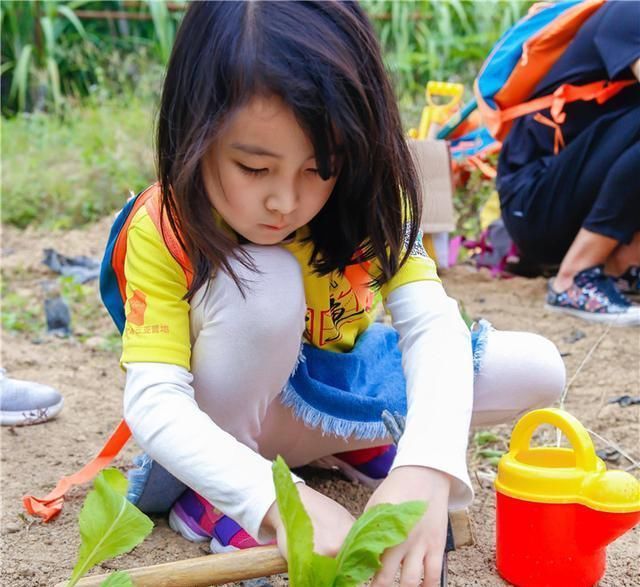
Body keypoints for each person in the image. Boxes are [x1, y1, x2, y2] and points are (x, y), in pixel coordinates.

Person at [119, 2, 565, 585]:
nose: (285, 201)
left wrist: (428, 465)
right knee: (265, 282)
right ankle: (219, 495)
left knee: (538, 368)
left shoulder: (373, 195)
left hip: (331, 396)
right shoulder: (166, 226)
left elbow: (431, 326)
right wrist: (271, 497)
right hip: (233, 424)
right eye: (254, 168)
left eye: (319, 167)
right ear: (192, 133)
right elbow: (154, 401)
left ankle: (345, 446)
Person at [497, 0, 640, 326]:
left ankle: (621, 268)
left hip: (571, 198)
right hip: (535, 202)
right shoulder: (631, 11)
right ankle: (574, 279)